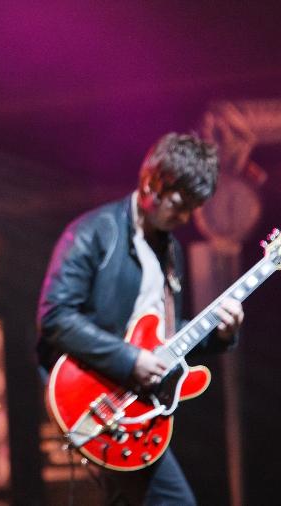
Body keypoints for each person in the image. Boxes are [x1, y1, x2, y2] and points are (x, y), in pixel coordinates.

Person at [37, 133, 244, 504]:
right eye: (180, 206)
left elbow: (162, 340)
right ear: (151, 184)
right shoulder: (95, 233)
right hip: (95, 397)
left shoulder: (169, 249)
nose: (185, 218)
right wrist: (130, 359)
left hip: (136, 405)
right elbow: (55, 317)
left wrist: (220, 334)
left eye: (193, 208)